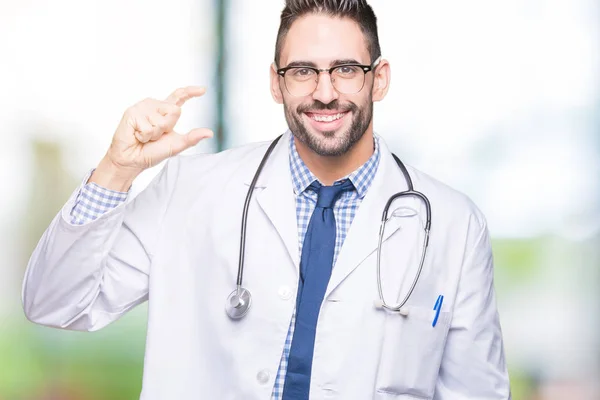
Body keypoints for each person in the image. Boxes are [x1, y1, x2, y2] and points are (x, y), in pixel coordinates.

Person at [22, 0, 511, 399]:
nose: (324, 93)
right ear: (275, 82)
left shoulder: (452, 224)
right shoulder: (189, 190)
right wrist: (117, 170)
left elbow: (476, 391)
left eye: (345, 69)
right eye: (302, 71)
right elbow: (55, 302)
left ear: (378, 78)